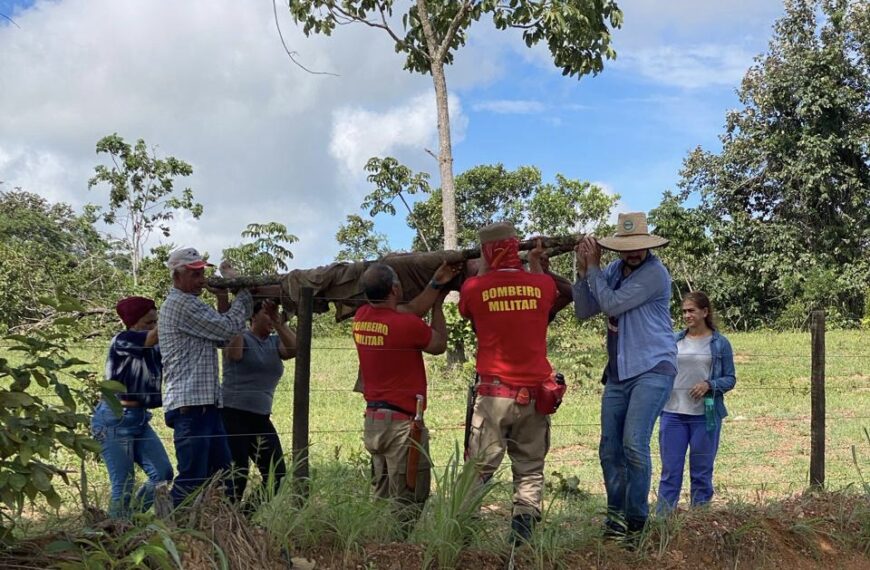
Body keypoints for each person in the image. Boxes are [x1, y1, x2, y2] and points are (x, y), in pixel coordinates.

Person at [573, 212, 676, 540]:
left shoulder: (655, 275)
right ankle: (614, 519)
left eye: (638, 246)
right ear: (617, 249)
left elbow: (613, 304)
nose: (632, 252)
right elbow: (585, 309)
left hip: (652, 367)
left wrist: (593, 269)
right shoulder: (615, 269)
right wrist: (583, 270)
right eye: (626, 247)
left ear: (648, 246)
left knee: (633, 443)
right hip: (619, 372)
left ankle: (636, 522)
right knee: (609, 448)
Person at [459, 222, 558, 544]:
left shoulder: (474, 289)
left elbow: (468, 308)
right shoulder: (542, 286)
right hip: (534, 396)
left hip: (493, 396)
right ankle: (521, 542)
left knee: (478, 469)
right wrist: (535, 260)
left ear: (486, 253)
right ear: (517, 248)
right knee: (529, 469)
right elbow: (544, 282)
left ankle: (460, 536)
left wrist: (486, 266)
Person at [353, 261, 455, 527]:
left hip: (373, 421)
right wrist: (438, 307)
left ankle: (372, 547)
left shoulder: (361, 317)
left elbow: (408, 310)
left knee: (381, 494)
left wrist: (435, 283)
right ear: (396, 289)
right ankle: (396, 550)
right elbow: (439, 344)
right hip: (401, 425)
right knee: (410, 497)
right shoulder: (406, 325)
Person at [158, 247, 254, 506]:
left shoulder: (191, 302)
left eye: (202, 273)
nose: (201, 279)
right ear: (177, 276)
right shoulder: (181, 304)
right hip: (192, 407)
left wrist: (224, 300)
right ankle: (167, 531)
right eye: (195, 274)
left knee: (221, 476)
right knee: (193, 479)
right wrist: (242, 291)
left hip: (204, 406)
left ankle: (208, 532)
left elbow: (223, 337)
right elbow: (229, 327)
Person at [92, 296, 174, 518]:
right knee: (123, 484)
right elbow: (154, 337)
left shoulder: (152, 344)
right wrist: (175, 307)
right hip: (115, 418)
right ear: (133, 323)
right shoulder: (124, 339)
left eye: (156, 321)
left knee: (163, 473)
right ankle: (115, 533)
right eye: (149, 322)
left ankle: (130, 521)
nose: (155, 326)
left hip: (138, 417)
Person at [657, 291, 736, 513]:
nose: (687, 315)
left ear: (705, 312)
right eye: (684, 311)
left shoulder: (719, 344)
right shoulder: (674, 341)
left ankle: (699, 520)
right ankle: (663, 521)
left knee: (701, 472)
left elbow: (730, 378)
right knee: (670, 471)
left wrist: (709, 385)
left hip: (705, 416)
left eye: (691, 310)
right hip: (672, 413)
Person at [222, 299, 297, 504]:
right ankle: (228, 523)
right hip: (233, 415)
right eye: (266, 313)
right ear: (253, 316)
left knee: (277, 475)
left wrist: (278, 321)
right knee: (238, 475)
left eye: (273, 312)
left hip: (260, 418)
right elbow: (234, 354)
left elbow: (295, 349)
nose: (271, 317)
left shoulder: (274, 342)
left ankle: (245, 518)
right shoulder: (242, 337)